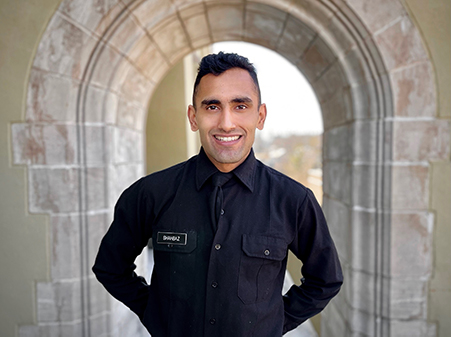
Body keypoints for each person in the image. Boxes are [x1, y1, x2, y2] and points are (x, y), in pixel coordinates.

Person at [92, 52, 343, 337]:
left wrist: (274, 322)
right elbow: (111, 268)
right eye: (212, 106)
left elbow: (326, 281)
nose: (226, 123)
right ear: (193, 116)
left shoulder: (294, 200)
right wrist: (154, 313)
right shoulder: (151, 193)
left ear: (259, 116)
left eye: (240, 106)